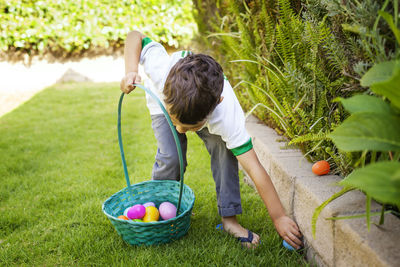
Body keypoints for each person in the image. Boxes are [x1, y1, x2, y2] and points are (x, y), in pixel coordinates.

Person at [120, 30, 303, 249]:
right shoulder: (160, 69)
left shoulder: (226, 113)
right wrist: (130, 71)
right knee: (171, 156)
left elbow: (254, 168)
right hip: (163, 105)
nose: (180, 129)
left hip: (204, 112)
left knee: (224, 151)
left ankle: (229, 220)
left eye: (189, 127)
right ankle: (162, 212)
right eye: (177, 122)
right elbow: (135, 37)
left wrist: (279, 216)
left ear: (218, 102)